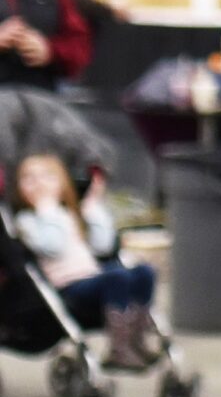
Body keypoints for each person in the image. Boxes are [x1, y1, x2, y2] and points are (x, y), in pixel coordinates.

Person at [12, 151, 161, 366]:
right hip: (69, 288)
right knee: (116, 276)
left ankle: (135, 339)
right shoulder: (28, 220)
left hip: (94, 279)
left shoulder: (70, 214)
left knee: (144, 272)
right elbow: (52, 246)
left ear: (63, 184)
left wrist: (92, 207)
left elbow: (103, 244)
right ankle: (118, 349)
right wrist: (47, 210)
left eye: (47, 177)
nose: (38, 184)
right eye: (29, 178)